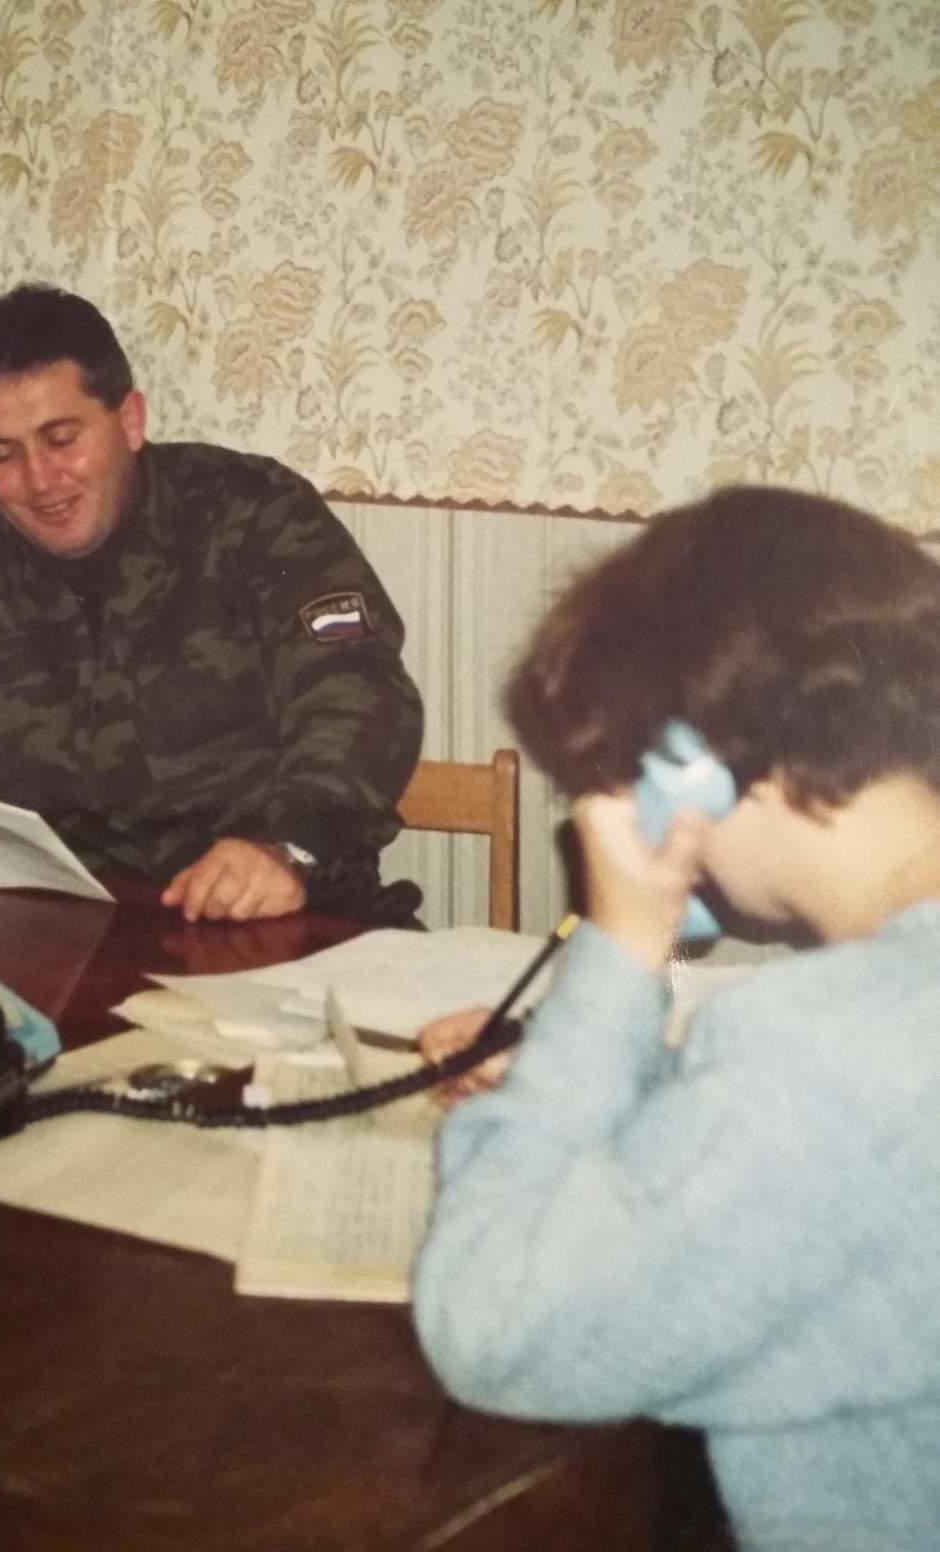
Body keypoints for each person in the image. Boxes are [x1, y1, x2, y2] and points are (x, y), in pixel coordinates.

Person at [411, 485, 940, 1552]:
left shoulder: (829, 1056)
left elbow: (491, 1327)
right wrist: (599, 1074)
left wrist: (620, 943)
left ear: (690, 768)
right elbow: (812, 1189)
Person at [0, 284, 423, 923]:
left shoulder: (255, 517)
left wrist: (288, 847)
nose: (40, 481)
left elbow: (360, 693)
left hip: (282, 922)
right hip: (48, 943)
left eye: (62, 440)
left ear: (129, 420)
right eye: (1, 455)